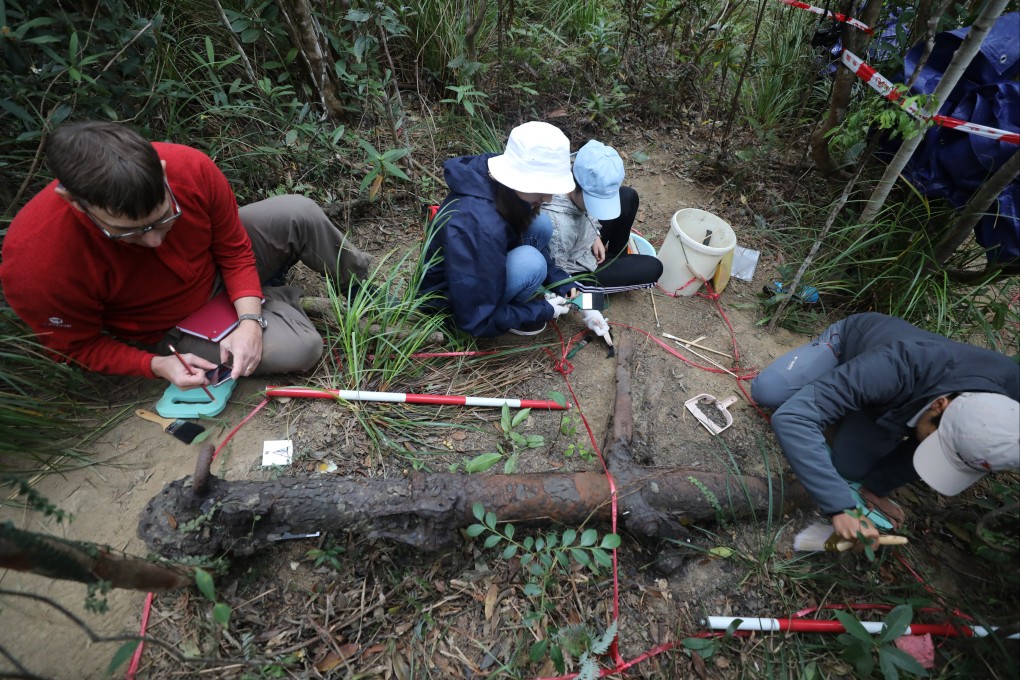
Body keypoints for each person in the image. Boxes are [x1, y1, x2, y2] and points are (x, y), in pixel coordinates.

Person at [0, 121, 371, 391]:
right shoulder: (37, 262)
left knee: (298, 211)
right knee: (302, 348)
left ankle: (363, 294)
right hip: (172, 322)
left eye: (165, 219)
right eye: (128, 233)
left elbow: (234, 247)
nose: (155, 242)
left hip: (215, 265)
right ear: (74, 203)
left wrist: (249, 322)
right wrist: (156, 364)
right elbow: (75, 346)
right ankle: (275, 300)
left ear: (162, 172)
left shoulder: (189, 168)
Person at [751, 312, 1019, 543]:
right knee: (769, 391)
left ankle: (846, 397)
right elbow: (793, 418)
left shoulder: (1009, 399)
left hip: (899, 403)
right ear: (939, 406)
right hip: (855, 345)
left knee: (850, 470)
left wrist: (876, 488)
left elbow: (941, 446)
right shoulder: (898, 364)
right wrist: (839, 507)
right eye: (935, 444)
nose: (933, 450)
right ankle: (834, 374)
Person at [420, 121, 576, 337]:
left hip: (472, 272)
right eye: (544, 188)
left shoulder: (497, 178)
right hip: (451, 305)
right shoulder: (478, 225)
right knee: (532, 263)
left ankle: (509, 306)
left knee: (540, 225)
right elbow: (474, 318)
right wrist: (541, 310)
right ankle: (507, 315)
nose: (548, 198)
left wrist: (559, 279)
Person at [544, 140, 662, 295]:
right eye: (594, 201)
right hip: (573, 269)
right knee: (653, 268)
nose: (598, 209)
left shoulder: (573, 175)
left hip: (584, 239)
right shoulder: (558, 225)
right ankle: (595, 287)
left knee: (627, 196)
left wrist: (595, 235)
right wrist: (574, 295)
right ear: (576, 185)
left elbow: (585, 211)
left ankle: (617, 259)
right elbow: (556, 273)